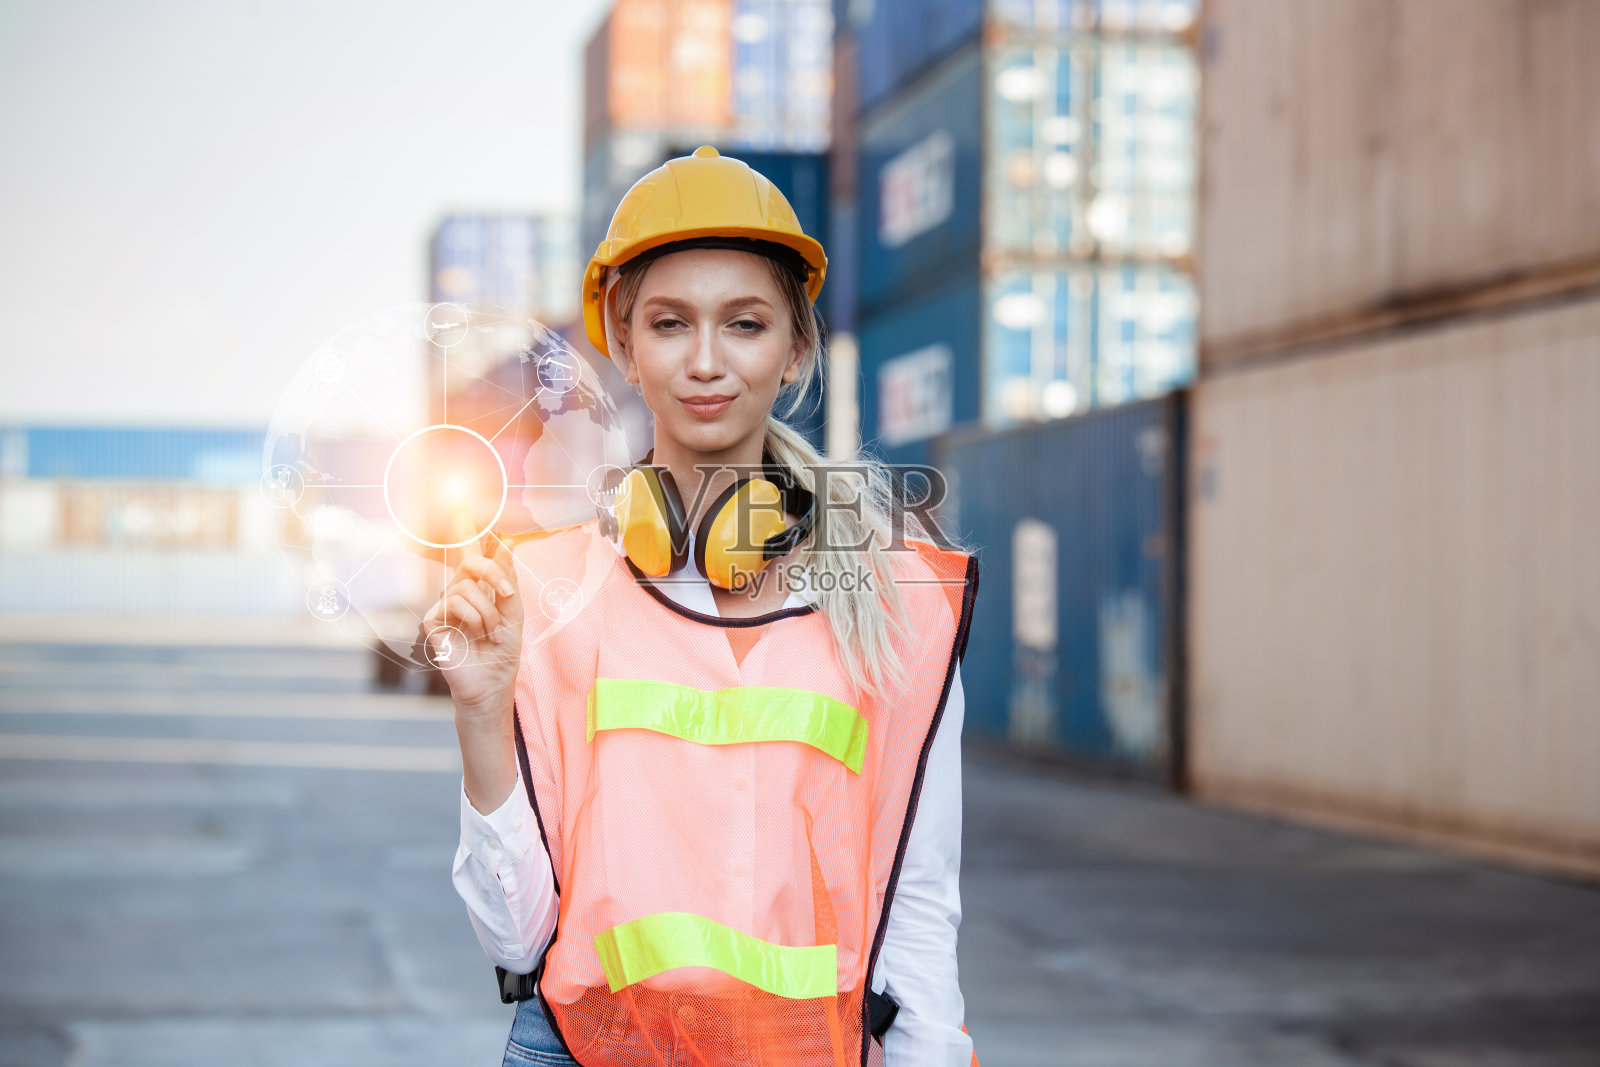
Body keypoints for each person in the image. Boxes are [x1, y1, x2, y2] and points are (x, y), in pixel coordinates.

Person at [427, 146, 980, 1066]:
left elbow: (917, 907)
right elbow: (519, 941)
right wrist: (481, 712)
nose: (708, 362)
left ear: (796, 345)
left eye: (747, 323)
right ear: (626, 345)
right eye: (671, 323)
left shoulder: (892, 600)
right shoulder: (551, 594)